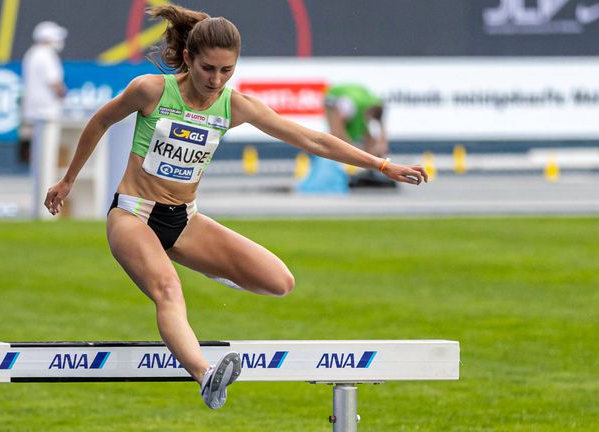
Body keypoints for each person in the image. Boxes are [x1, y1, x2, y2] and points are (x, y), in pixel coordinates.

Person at [44, 4, 427, 409]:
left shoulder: (234, 106)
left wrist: (381, 164)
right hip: (133, 215)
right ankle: (206, 376)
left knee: (280, 282)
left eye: (227, 70)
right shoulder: (150, 90)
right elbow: (100, 122)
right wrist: (68, 180)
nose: (216, 80)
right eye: (208, 69)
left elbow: (312, 139)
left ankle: (213, 268)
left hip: (184, 221)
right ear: (188, 57)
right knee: (169, 291)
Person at [22, 21, 67, 218]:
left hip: (34, 112)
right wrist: (63, 94)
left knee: (38, 164)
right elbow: (55, 83)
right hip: (47, 113)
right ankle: (46, 207)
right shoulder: (47, 55)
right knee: (47, 163)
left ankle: (38, 204)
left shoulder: (31, 54)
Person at [324, 84, 394, 187]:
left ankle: (367, 166)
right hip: (335, 96)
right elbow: (338, 131)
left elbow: (380, 132)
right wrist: (355, 153)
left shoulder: (376, 105)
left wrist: (379, 151)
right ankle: (333, 171)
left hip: (356, 97)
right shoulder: (348, 107)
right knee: (336, 138)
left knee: (368, 138)